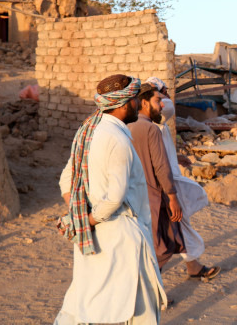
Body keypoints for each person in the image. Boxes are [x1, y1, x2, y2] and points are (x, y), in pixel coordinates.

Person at [54, 74, 166, 324]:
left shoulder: (88, 130)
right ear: (125, 104)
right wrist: (86, 220)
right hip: (121, 236)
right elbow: (115, 198)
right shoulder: (117, 139)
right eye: (136, 100)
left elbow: (66, 179)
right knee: (141, 307)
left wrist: (78, 215)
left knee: (87, 301)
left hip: (93, 236)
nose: (139, 105)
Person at [129, 83, 220, 280]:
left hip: (140, 194)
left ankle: (190, 268)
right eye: (158, 100)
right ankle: (151, 294)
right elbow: (160, 167)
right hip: (154, 195)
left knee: (164, 238)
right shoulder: (150, 128)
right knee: (161, 246)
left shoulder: (132, 126)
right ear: (144, 103)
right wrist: (171, 196)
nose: (162, 104)